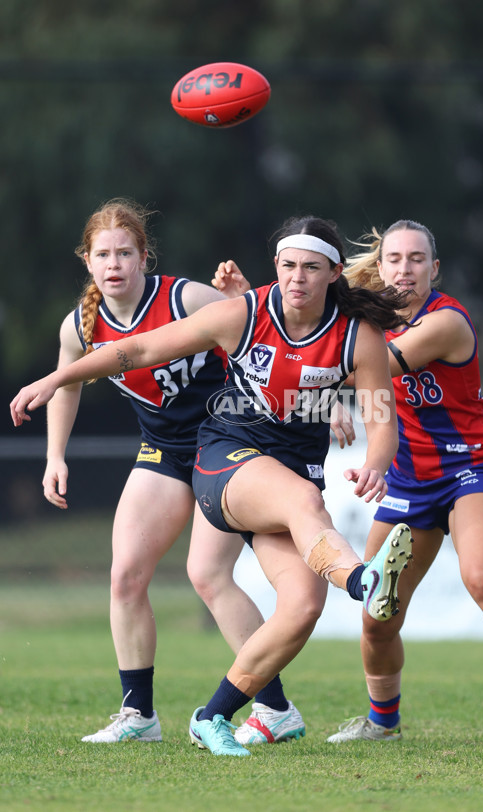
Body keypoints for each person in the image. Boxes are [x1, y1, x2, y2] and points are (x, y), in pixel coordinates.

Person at [11, 214, 414, 757]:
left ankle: (226, 713)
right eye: (289, 265)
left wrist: (375, 461)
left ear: (334, 273)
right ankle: (365, 583)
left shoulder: (358, 337)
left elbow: (380, 418)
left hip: (292, 466)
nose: (297, 277)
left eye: (311, 268)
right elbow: (141, 349)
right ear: (277, 267)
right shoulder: (244, 312)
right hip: (225, 453)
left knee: (300, 606)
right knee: (298, 503)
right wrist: (57, 378)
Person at [34, 198, 307, 745]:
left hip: (227, 446)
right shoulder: (80, 327)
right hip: (162, 450)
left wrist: (322, 402)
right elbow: (66, 384)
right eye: (103, 254)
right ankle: (139, 716)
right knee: (125, 576)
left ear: (144, 257)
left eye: (125, 253)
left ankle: (275, 707)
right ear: (86, 261)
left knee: (208, 577)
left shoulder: (184, 298)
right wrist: (54, 456)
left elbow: (262, 336)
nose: (114, 264)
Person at [324, 219, 483, 749]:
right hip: (408, 479)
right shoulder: (368, 320)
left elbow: (364, 369)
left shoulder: (447, 321)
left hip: (470, 469)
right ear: (382, 264)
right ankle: (382, 722)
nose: (405, 269)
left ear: (433, 269)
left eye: (417, 259)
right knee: (377, 613)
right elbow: (314, 342)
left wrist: (311, 379)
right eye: (394, 259)